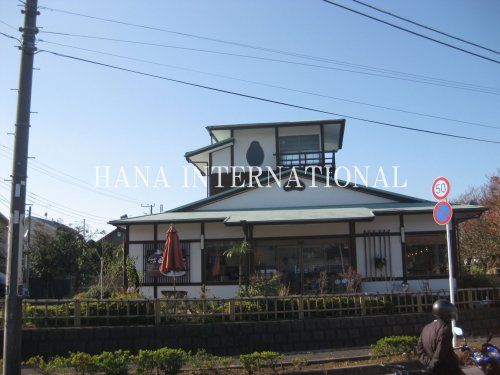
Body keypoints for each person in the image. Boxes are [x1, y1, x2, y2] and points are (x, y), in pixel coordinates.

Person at [417, 299, 464, 375]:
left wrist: (428, 364)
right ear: (445, 314)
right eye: (450, 314)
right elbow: (440, 354)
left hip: (432, 369)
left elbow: (420, 351)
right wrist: (432, 366)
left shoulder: (426, 328)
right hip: (447, 370)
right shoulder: (445, 330)